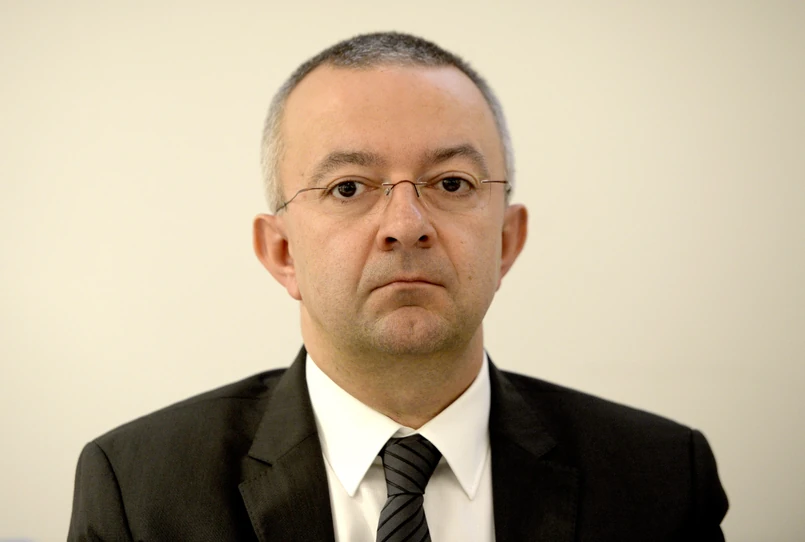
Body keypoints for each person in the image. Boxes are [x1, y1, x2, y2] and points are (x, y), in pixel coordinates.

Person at [68, 32, 728, 541]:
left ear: (506, 240)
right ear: (281, 252)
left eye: (452, 184)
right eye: (348, 187)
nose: (406, 226)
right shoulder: (140, 491)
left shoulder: (662, 478)